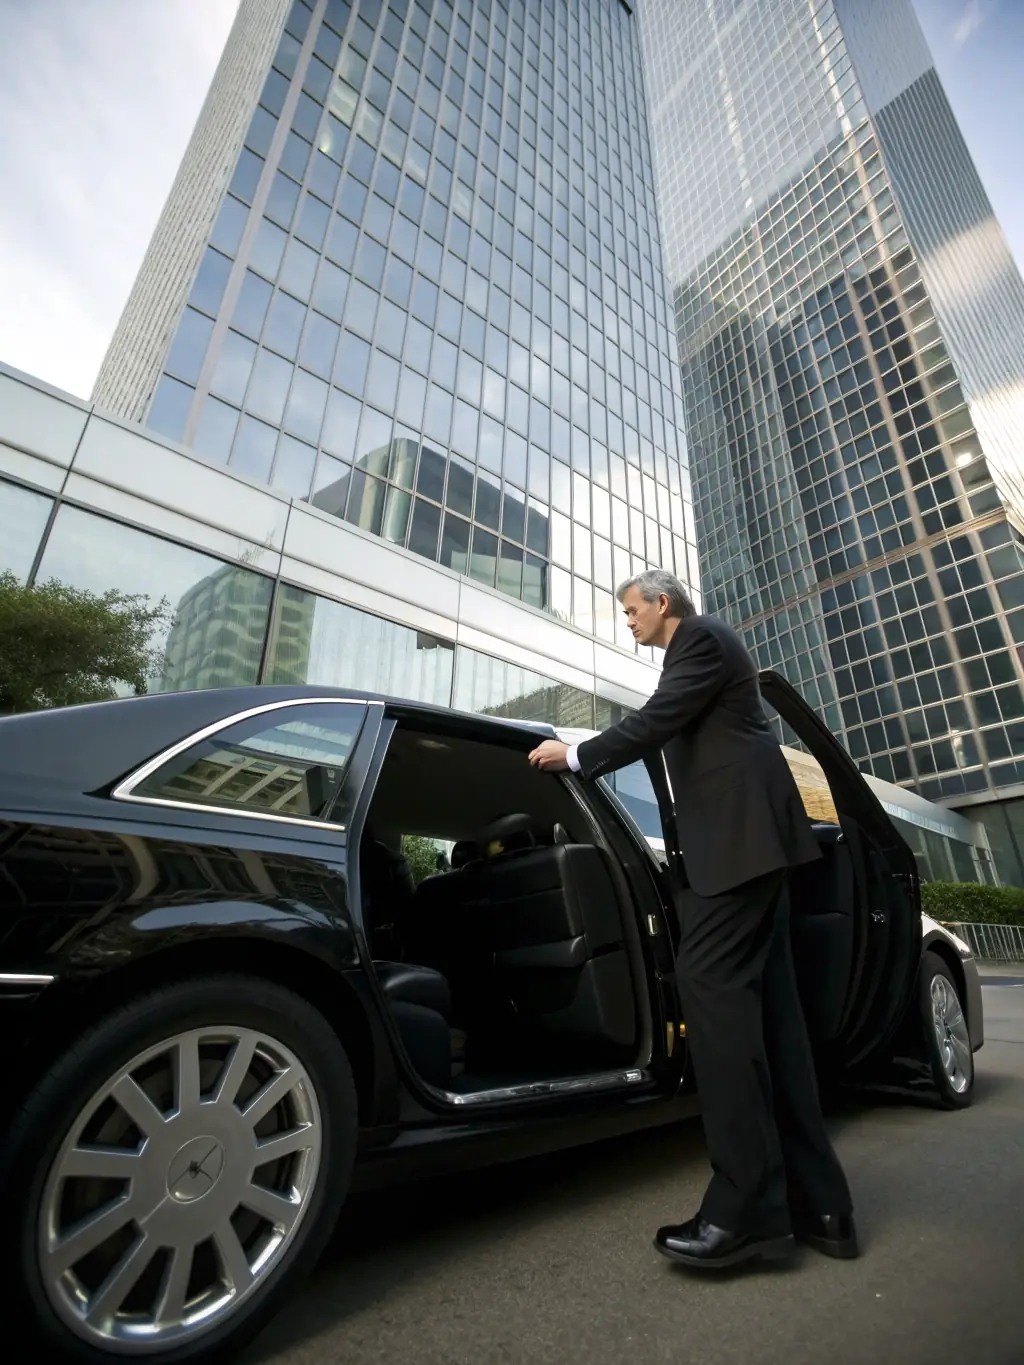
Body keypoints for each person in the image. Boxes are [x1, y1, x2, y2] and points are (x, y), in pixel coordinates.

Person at [528, 569, 857, 1270]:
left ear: (663, 602)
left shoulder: (701, 640)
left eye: (630, 609)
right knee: (774, 1025)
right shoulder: (700, 654)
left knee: (711, 1000)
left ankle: (747, 1210)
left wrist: (577, 754)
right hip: (746, 852)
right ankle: (819, 1204)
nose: (627, 620)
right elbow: (667, 732)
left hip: (738, 852)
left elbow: (655, 722)